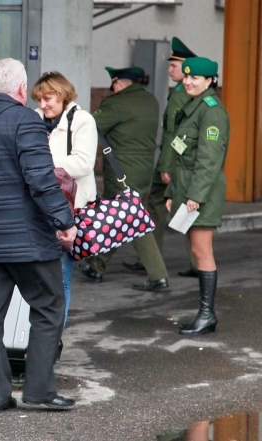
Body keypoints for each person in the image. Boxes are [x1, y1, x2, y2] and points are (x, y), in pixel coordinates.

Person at [0, 58, 77, 413]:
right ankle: (39, 390)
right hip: (29, 239)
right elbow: (41, 179)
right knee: (49, 306)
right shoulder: (25, 121)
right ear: (22, 89)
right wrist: (64, 220)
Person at [79, 66, 170, 292]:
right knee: (116, 217)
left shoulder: (115, 104)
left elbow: (89, 126)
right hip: (144, 168)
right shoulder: (151, 101)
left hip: (122, 171)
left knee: (132, 218)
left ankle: (158, 274)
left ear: (118, 83)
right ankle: (97, 266)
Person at [165, 57, 230, 335]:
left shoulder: (211, 111)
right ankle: (205, 314)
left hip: (201, 192)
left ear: (210, 81)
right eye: (187, 77)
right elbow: (180, 155)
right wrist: (172, 192)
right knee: (196, 250)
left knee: (202, 251)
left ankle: (207, 315)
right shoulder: (194, 106)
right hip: (188, 189)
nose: (189, 82)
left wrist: (195, 196)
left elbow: (209, 159)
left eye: (196, 78)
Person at [127, 37, 200, 277]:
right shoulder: (184, 92)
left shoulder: (180, 95)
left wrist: (166, 165)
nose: (169, 70)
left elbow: (174, 134)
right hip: (182, 160)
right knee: (174, 208)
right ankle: (192, 262)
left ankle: (154, 259)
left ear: (187, 68)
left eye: (173, 66)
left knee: (165, 207)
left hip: (174, 162)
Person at [30, 71, 98, 327]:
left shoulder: (82, 120)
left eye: (47, 98)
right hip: (38, 207)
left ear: (62, 95)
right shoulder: (33, 119)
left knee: (60, 277)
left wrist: (41, 164)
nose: (42, 105)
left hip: (70, 209)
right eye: (39, 99)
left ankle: (52, 339)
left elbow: (83, 164)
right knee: (36, 279)